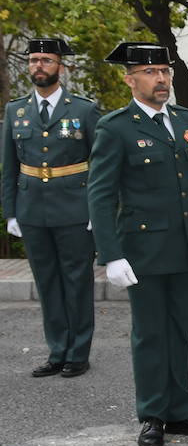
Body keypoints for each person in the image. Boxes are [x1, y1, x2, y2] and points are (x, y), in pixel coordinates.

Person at [87, 42, 188, 446]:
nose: (162, 78)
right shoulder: (115, 127)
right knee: (151, 334)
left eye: (165, 70)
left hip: (187, 248)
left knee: (180, 332)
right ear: (130, 79)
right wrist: (110, 254)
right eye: (151, 71)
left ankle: (181, 411)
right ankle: (153, 413)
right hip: (143, 253)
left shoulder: (187, 120)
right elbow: (100, 195)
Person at [2, 37, 102, 378]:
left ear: (61, 66)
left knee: (77, 280)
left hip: (75, 208)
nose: (38, 66)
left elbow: (101, 164)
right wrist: (11, 212)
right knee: (47, 282)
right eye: (33, 60)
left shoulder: (84, 110)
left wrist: (97, 210)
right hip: (32, 209)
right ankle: (57, 350)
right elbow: (8, 166)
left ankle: (78, 352)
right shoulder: (15, 110)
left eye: (45, 60)